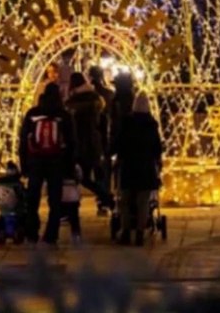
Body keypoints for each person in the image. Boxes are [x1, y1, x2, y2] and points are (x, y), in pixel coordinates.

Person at [18, 82, 76, 246]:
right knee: (55, 200)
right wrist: (69, 167)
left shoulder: (32, 113)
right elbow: (71, 143)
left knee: (33, 198)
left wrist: (24, 164)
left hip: (35, 161)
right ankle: (51, 235)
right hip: (56, 161)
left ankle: (31, 233)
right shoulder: (63, 115)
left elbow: (23, 140)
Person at [114, 92, 162, 246]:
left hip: (128, 166)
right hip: (146, 167)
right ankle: (140, 232)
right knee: (143, 201)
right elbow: (157, 148)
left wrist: (117, 158)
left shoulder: (127, 123)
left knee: (125, 200)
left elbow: (119, 144)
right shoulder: (151, 125)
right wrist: (158, 161)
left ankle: (126, 230)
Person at [65, 72, 116, 213]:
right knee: (98, 175)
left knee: (82, 177)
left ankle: (105, 198)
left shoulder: (71, 104)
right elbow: (103, 124)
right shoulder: (96, 100)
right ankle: (104, 200)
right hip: (95, 143)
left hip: (80, 145)